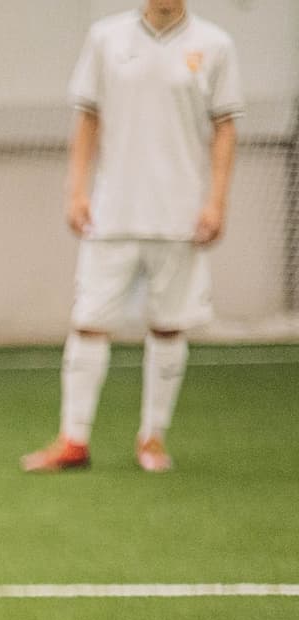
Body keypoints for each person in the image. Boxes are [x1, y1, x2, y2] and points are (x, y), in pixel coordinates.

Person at [21, 0, 244, 474]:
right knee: (88, 320)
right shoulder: (105, 38)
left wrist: (216, 201)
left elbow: (225, 128)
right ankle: (73, 439)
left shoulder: (215, 45)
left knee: (168, 325)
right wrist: (76, 190)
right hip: (112, 214)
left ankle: (153, 438)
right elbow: (87, 116)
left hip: (179, 217)